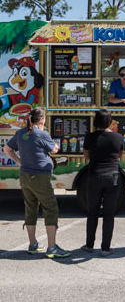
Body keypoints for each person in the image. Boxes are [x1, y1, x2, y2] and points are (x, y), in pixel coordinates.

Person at [3, 107, 70, 258]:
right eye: (44, 118)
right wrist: (55, 146)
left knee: (30, 209)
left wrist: (19, 162)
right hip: (40, 177)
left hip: (25, 175)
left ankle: (33, 244)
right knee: (50, 209)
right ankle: (52, 248)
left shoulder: (20, 133)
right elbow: (54, 150)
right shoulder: (42, 133)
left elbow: (7, 148)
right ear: (41, 120)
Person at [81, 109, 124, 257]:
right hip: (113, 177)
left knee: (92, 212)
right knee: (109, 214)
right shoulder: (118, 137)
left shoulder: (90, 137)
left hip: (94, 176)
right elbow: (119, 155)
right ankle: (106, 248)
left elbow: (86, 155)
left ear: (95, 121)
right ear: (110, 121)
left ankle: (89, 245)